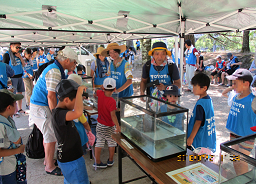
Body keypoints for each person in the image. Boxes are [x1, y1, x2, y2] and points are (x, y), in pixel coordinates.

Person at [29, 47, 78, 175]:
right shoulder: (55, 71)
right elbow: (51, 96)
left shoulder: (56, 68)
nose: (75, 65)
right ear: (67, 60)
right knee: (50, 136)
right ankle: (49, 166)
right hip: (41, 106)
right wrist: (56, 115)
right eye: (74, 62)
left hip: (40, 105)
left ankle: (48, 160)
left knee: (48, 135)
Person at [52, 79, 90, 183]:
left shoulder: (63, 112)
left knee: (70, 180)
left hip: (71, 158)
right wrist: (79, 92)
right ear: (67, 100)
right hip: (71, 160)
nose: (77, 104)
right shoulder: (58, 114)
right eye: (76, 101)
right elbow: (78, 112)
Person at [225, 69, 256, 175]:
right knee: (235, 158)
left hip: (246, 136)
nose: (233, 86)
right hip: (234, 134)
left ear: (246, 84)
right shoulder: (235, 96)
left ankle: (243, 179)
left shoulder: (253, 100)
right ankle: (238, 178)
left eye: (235, 83)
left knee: (242, 161)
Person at [93, 78, 121, 168]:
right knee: (111, 142)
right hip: (109, 125)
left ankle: (97, 162)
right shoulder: (112, 101)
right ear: (114, 89)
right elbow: (113, 115)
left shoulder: (100, 93)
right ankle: (110, 160)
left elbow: (95, 92)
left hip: (100, 124)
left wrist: (100, 89)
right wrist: (117, 125)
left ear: (103, 87)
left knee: (99, 141)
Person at [0, 89, 25, 184]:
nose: (17, 106)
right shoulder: (1, 125)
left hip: (12, 165)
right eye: (15, 103)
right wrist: (18, 150)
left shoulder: (8, 119)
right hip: (5, 170)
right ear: (8, 107)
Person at [187, 73, 216, 153]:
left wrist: (191, 138)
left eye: (195, 87)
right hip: (207, 139)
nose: (193, 89)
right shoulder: (208, 99)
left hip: (199, 141)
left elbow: (198, 122)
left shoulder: (201, 104)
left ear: (204, 88)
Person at [2, 42, 26, 115]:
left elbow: (24, 64)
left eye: (19, 47)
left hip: (20, 76)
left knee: (20, 93)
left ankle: (20, 108)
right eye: (17, 47)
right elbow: (4, 68)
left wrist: (20, 57)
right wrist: (8, 80)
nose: (18, 49)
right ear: (11, 46)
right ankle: (13, 111)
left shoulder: (18, 54)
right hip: (12, 78)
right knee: (12, 95)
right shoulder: (7, 55)